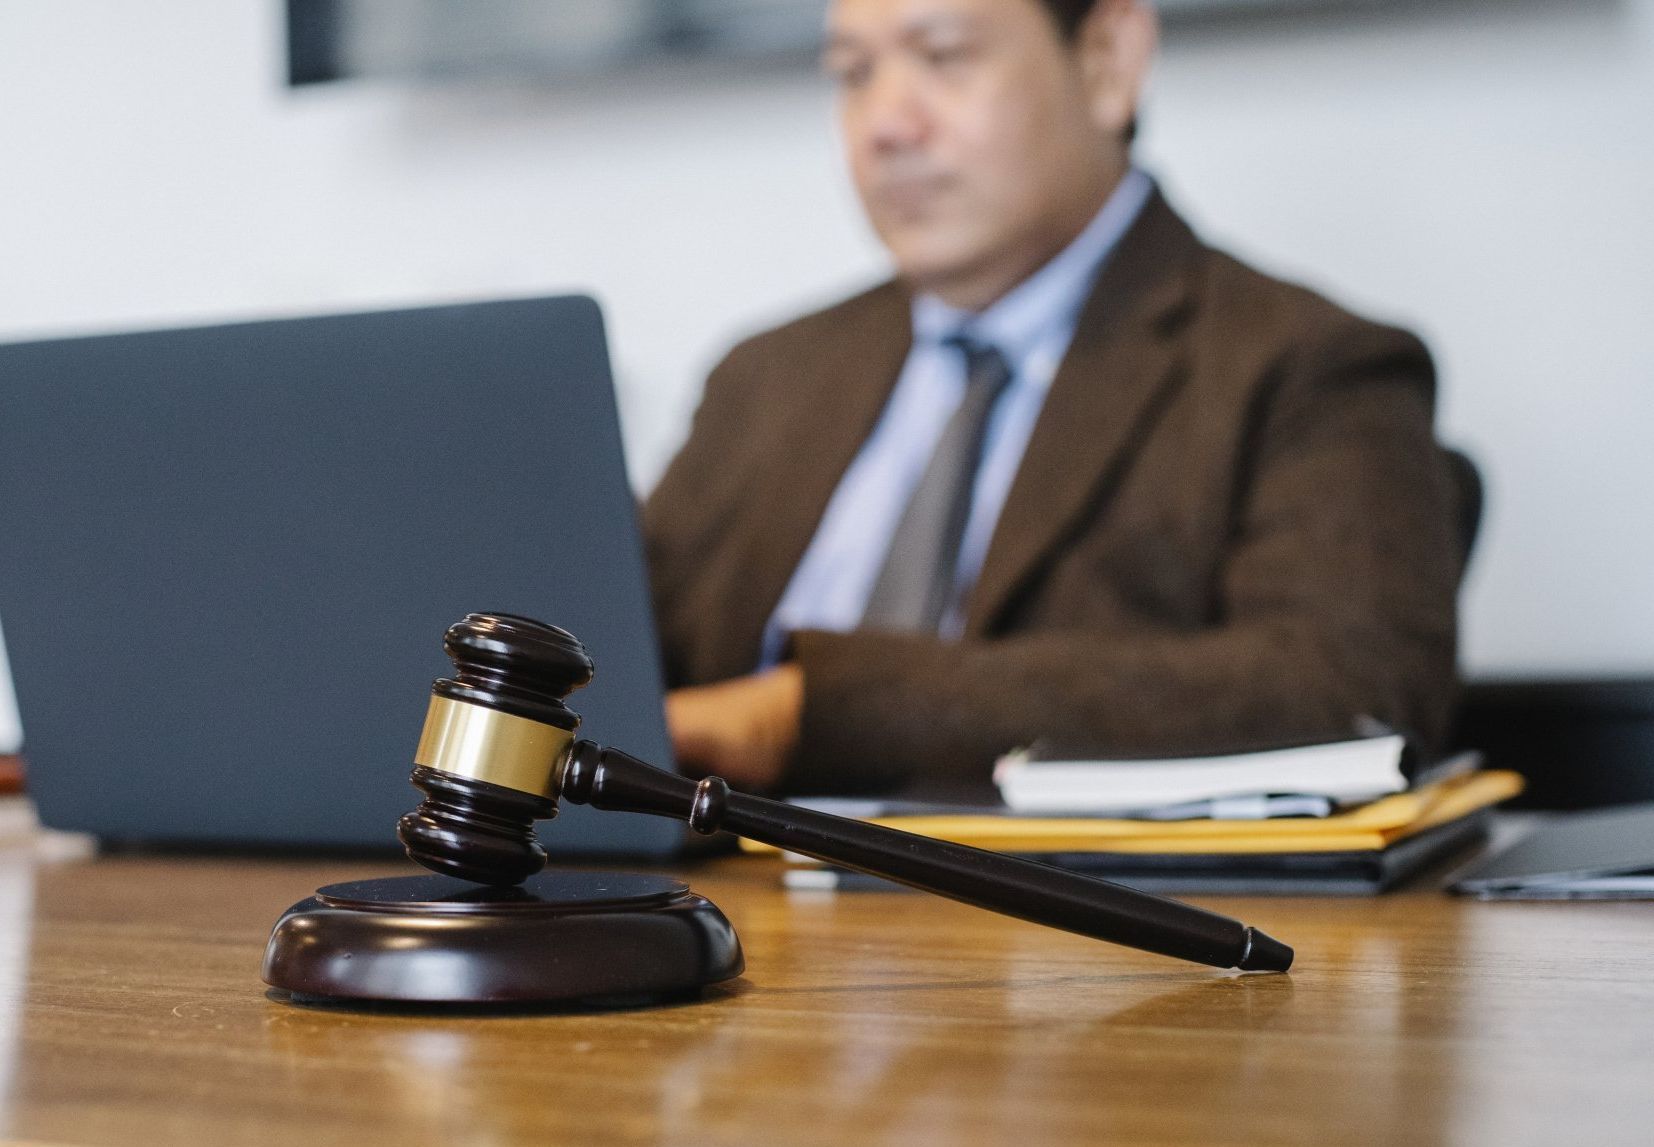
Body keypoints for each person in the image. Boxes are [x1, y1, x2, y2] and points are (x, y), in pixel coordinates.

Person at [645, 0, 1464, 797]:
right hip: (700, 912)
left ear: (1107, 62)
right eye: (853, 73)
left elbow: (1348, 686)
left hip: (1060, 926)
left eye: (944, 56)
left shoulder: (1306, 364)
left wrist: (813, 710)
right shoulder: (764, 378)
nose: (885, 125)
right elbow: (611, 654)